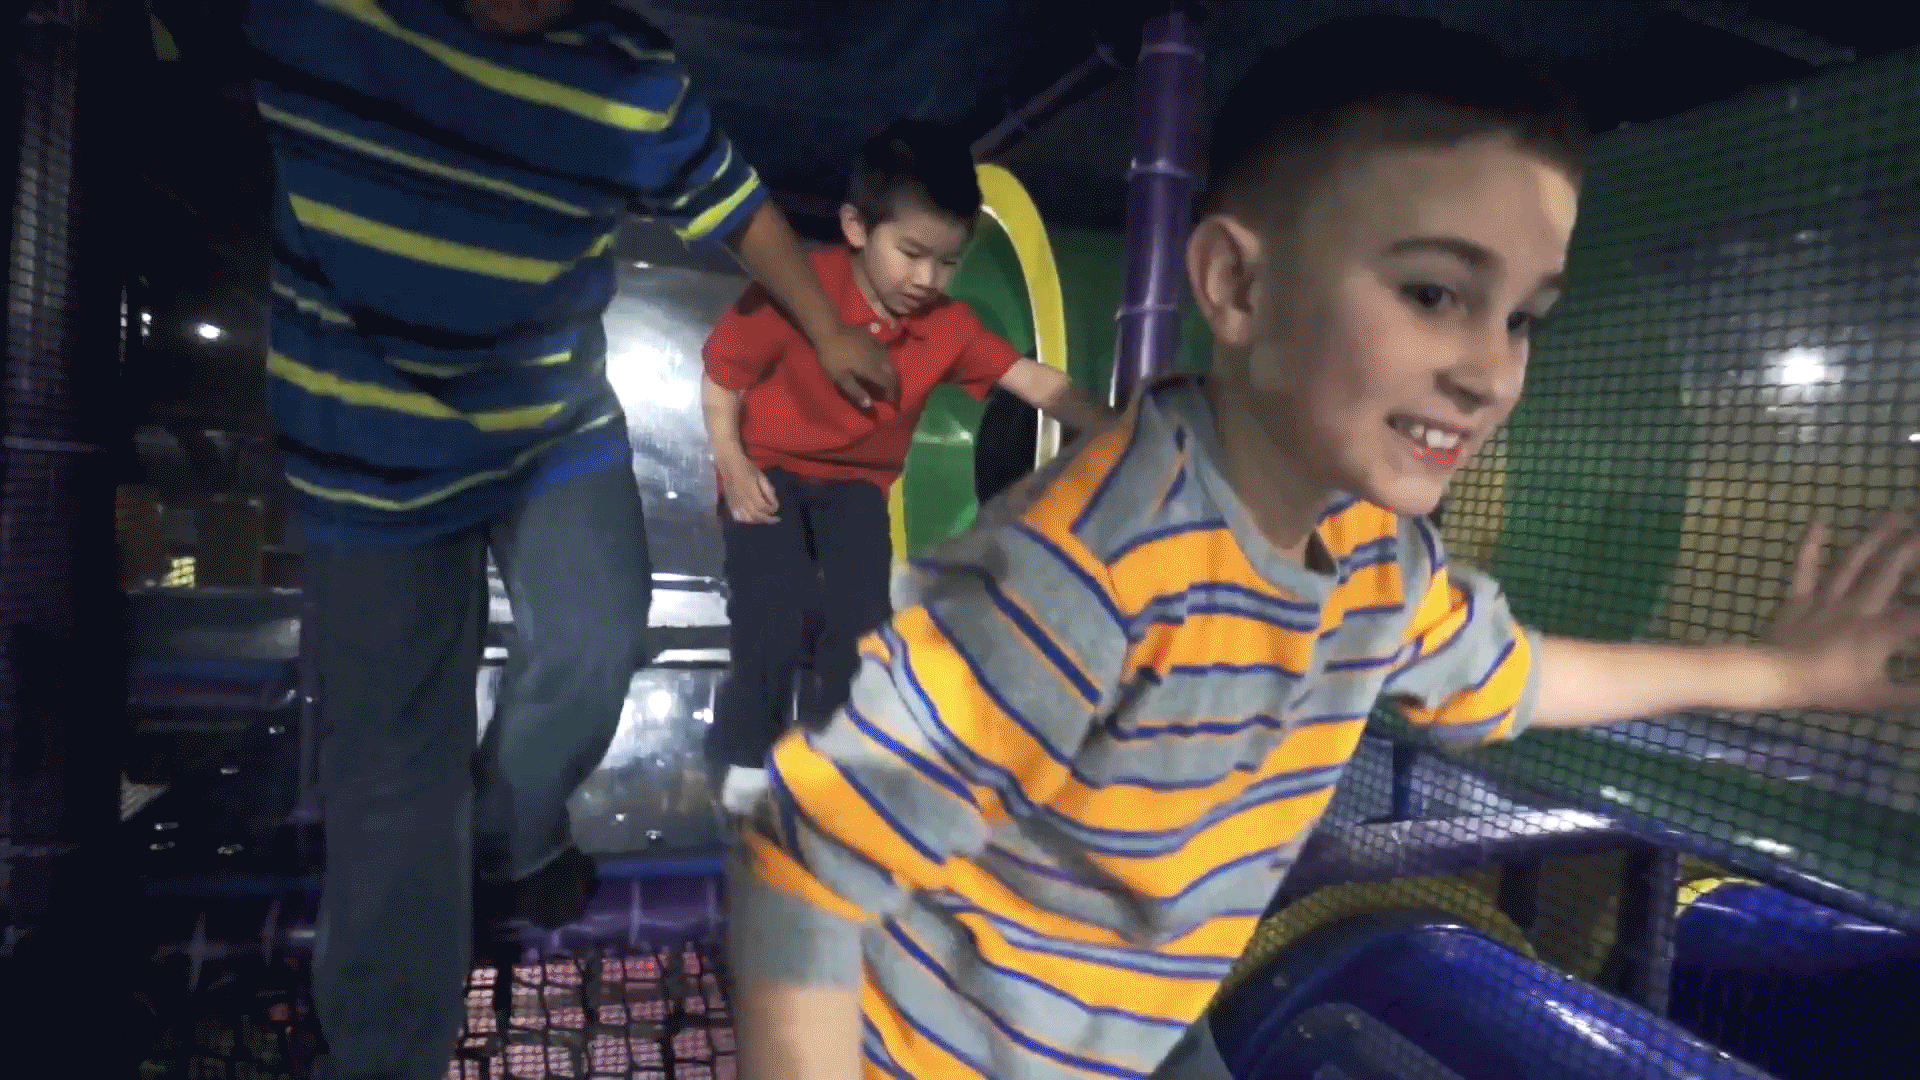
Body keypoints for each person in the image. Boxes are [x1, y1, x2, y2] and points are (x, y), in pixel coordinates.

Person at [724, 15, 1920, 1080]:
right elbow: (806, 864)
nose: (1490, 371)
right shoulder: (1087, 571)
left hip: (1132, 1020)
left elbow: (1520, 675)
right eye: (1435, 294)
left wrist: (1784, 673)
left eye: (1523, 317)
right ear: (1237, 285)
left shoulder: (1373, 553)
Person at [245, 2, 897, 1078]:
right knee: (396, 774)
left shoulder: (624, 67)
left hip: (550, 417)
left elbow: (736, 202)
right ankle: (385, 1052)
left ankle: (512, 831)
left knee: (599, 635)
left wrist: (828, 330)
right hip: (367, 437)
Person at [700, 119, 1114, 813]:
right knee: (773, 617)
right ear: (857, 228)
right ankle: (741, 750)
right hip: (769, 468)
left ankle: (835, 765)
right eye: (912, 253)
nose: (927, 279)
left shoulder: (946, 328)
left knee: (862, 628)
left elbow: (1035, 382)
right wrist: (732, 464)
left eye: (947, 262)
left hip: (856, 487)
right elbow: (721, 377)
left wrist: (1126, 430)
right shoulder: (801, 289)